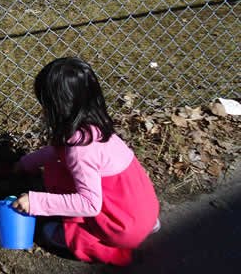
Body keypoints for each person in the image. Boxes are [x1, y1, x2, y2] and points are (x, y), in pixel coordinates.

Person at [12, 57, 160, 266]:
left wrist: (35, 202)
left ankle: (115, 249)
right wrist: (26, 163)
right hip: (144, 211)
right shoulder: (94, 129)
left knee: (49, 232)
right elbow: (57, 151)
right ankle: (140, 226)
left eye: (45, 105)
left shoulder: (81, 152)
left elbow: (89, 204)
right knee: (59, 163)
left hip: (123, 228)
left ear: (57, 107)